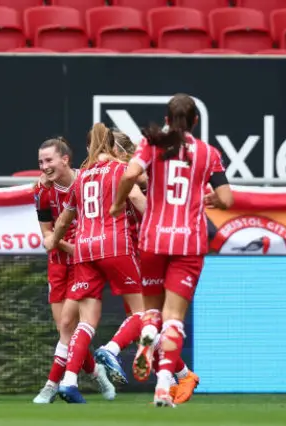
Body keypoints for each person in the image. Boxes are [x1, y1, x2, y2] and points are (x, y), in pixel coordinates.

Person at [109, 94, 233, 407]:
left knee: (152, 312)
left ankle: (148, 335)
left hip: (153, 238)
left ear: (166, 119)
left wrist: (116, 203)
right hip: (188, 241)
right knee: (174, 317)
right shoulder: (208, 153)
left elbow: (128, 174)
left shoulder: (152, 145)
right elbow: (228, 199)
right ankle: (164, 385)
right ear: (195, 121)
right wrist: (211, 200)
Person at [43, 123, 147, 404]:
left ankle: (68, 381)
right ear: (113, 145)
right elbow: (138, 199)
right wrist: (158, 224)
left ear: (90, 146)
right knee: (143, 313)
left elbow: (65, 218)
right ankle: (112, 349)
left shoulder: (83, 176)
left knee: (85, 322)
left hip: (85, 250)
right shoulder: (120, 171)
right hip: (115, 246)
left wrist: (53, 240)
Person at [99, 130, 201, 405]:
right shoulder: (122, 172)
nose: (98, 156)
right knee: (146, 324)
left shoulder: (131, 172)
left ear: (118, 152)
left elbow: (138, 199)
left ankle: (113, 350)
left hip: (146, 250)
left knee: (147, 317)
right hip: (132, 250)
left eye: (103, 151)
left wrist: (156, 225)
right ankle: (182, 375)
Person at [32, 137, 115, 403]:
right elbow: (47, 236)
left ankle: (52, 384)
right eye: (41, 162)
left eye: (49, 160)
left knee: (70, 326)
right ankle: (96, 373)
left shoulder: (88, 181)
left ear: (65, 160)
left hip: (85, 263)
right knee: (66, 331)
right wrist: (61, 244)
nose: (44, 166)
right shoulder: (41, 191)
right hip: (59, 264)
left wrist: (75, 247)